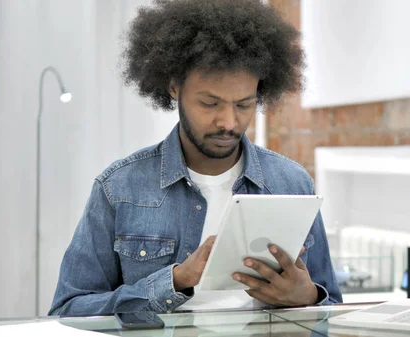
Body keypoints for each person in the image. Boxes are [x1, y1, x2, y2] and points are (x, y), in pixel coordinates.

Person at [48, 0, 342, 316]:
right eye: (209, 103)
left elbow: (332, 309)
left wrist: (308, 296)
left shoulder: (292, 182)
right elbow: (68, 311)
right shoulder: (120, 188)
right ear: (174, 87)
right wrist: (173, 282)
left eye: (243, 105)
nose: (229, 122)